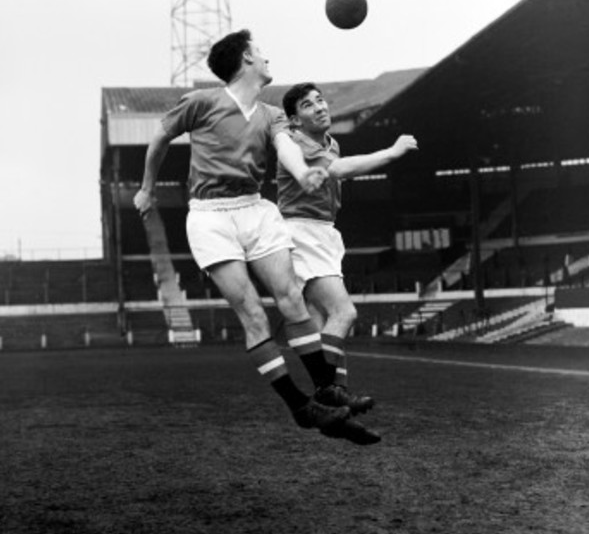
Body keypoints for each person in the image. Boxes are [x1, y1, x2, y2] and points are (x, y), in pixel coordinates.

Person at [133, 30, 379, 445]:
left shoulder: (271, 115)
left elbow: (285, 147)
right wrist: (145, 187)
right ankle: (301, 407)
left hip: (255, 208)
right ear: (247, 59)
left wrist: (304, 173)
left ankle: (327, 390)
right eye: (261, 52)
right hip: (210, 218)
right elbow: (159, 138)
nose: (267, 58)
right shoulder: (201, 102)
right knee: (252, 312)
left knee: (292, 298)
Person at [277, 82, 418, 409]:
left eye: (321, 100)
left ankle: (337, 395)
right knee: (343, 311)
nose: (320, 107)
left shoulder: (330, 142)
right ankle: (328, 391)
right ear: (295, 121)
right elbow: (337, 170)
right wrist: (391, 152)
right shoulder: (297, 142)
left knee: (320, 319)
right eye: (309, 105)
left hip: (321, 232)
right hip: (302, 231)